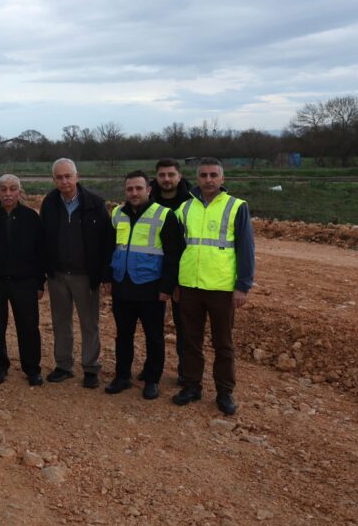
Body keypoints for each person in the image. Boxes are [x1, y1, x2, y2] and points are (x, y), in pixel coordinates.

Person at [172, 158, 255, 416]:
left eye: (213, 175)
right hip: (189, 287)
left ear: (222, 179)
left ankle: (224, 392)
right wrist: (174, 283)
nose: (208, 180)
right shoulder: (184, 209)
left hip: (221, 288)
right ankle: (192, 386)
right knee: (191, 341)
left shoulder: (236, 207)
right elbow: (175, 250)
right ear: (196, 179)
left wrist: (242, 286)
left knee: (223, 343)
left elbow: (246, 249)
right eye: (204, 175)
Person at [104, 170, 183, 400]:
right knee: (123, 335)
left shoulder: (164, 215)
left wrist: (167, 287)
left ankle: (151, 379)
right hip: (122, 285)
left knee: (154, 337)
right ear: (125, 191)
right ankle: (122, 377)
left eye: (139, 188)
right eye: (130, 189)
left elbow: (173, 254)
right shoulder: (117, 214)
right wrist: (107, 277)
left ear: (148, 190)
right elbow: (110, 249)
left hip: (151, 288)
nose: (134, 193)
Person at [40, 158, 114, 389]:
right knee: (61, 322)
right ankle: (64, 365)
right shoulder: (49, 203)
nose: (64, 181)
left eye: (68, 176)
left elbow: (106, 242)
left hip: (85, 275)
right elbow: (43, 238)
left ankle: (91, 368)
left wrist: (104, 275)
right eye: (59, 177)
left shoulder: (95, 203)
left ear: (77, 176)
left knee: (89, 323)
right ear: (54, 180)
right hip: (58, 274)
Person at [0, 174, 45, 386]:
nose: (8, 193)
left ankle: (32, 368)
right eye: (4, 189)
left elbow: (40, 254)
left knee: (29, 327)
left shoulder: (31, 218)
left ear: (19, 192)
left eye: (13, 189)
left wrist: (40, 283)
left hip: (25, 282)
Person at [149, 158, 194, 386]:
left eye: (171, 175)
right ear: (156, 177)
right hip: (151, 273)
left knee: (184, 327)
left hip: (183, 273)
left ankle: (186, 372)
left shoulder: (191, 201)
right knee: (153, 326)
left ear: (179, 176)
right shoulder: (146, 198)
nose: (166, 179)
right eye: (162, 175)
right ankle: (152, 369)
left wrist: (176, 279)